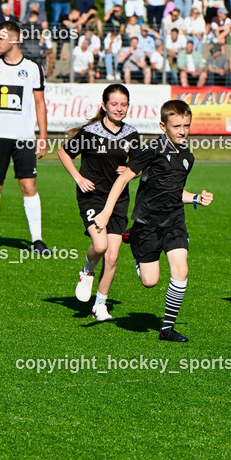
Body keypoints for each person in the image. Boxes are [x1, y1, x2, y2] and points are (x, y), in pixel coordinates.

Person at [93, 100, 214, 342]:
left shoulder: (188, 156)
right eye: (177, 125)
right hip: (147, 223)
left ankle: (166, 328)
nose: (182, 131)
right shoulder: (152, 150)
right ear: (163, 126)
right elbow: (123, 180)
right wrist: (106, 212)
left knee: (181, 268)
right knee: (150, 282)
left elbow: (174, 192)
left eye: (186, 125)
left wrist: (195, 198)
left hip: (174, 221)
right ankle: (134, 236)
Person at [57, 85, 140, 320]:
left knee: (112, 257)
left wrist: (132, 171)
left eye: (123, 104)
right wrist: (79, 177)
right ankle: (87, 270)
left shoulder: (132, 134)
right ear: (104, 106)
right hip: (92, 196)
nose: (119, 108)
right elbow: (64, 153)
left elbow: (139, 166)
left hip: (119, 199)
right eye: (114, 104)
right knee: (100, 246)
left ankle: (100, 305)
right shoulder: (90, 132)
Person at [0, 20, 50, 255]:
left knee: (29, 186)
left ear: (14, 40)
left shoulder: (33, 69)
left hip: (24, 137)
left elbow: (39, 103)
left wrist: (42, 136)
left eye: (1, 38)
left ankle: (37, 239)